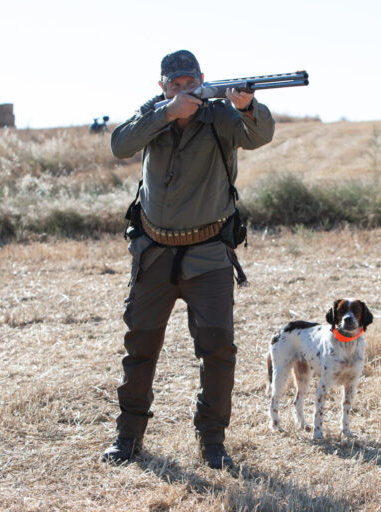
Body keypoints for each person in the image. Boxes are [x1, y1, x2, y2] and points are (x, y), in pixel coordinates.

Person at [101, 50, 275, 468]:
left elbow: (259, 135)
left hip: (208, 254)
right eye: (175, 85)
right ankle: (128, 439)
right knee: (140, 346)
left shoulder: (220, 115)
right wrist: (167, 112)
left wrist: (247, 106)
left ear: (202, 79)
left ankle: (212, 442)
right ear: (162, 86)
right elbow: (120, 145)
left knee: (217, 351)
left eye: (190, 83)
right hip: (153, 253)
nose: (184, 91)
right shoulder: (153, 113)